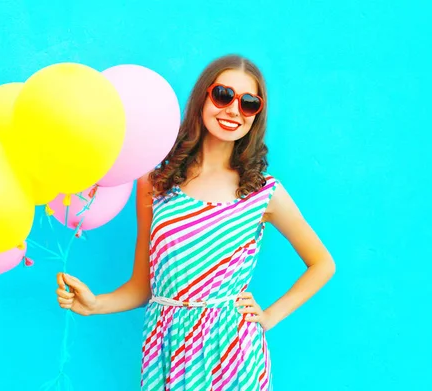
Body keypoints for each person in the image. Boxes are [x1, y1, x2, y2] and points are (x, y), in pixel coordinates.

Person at [55, 54, 336, 390]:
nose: (233, 109)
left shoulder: (263, 192)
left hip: (233, 352)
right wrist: (95, 304)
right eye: (223, 95)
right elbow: (143, 287)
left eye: (248, 103)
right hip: (165, 347)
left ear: (255, 116)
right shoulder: (155, 182)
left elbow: (322, 264)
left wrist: (269, 317)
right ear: (203, 97)